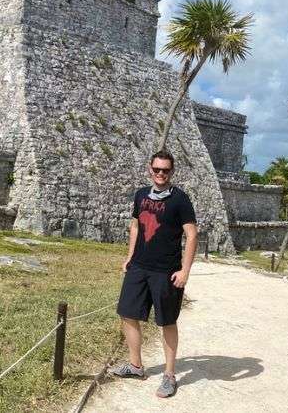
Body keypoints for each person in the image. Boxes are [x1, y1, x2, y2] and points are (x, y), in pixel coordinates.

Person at [110, 149, 198, 398]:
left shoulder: (180, 199)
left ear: (172, 171)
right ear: (150, 169)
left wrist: (185, 270)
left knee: (167, 322)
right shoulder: (140, 195)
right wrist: (129, 257)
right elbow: (136, 226)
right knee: (127, 313)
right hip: (139, 266)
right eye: (157, 169)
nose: (160, 173)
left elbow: (192, 235)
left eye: (165, 170)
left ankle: (169, 375)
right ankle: (136, 366)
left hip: (166, 271)